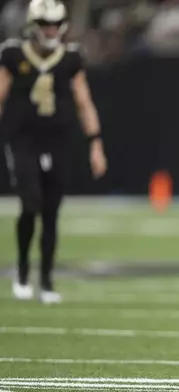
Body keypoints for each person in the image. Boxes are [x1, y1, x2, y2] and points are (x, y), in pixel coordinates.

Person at [0, 0, 107, 304]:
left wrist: (95, 144)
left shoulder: (70, 59)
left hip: (57, 140)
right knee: (30, 202)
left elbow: (84, 103)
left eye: (54, 24)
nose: (50, 30)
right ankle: (22, 271)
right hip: (22, 139)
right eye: (45, 24)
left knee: (51, 212)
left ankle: (46, 279)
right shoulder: (14, 55)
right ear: (33, 25)